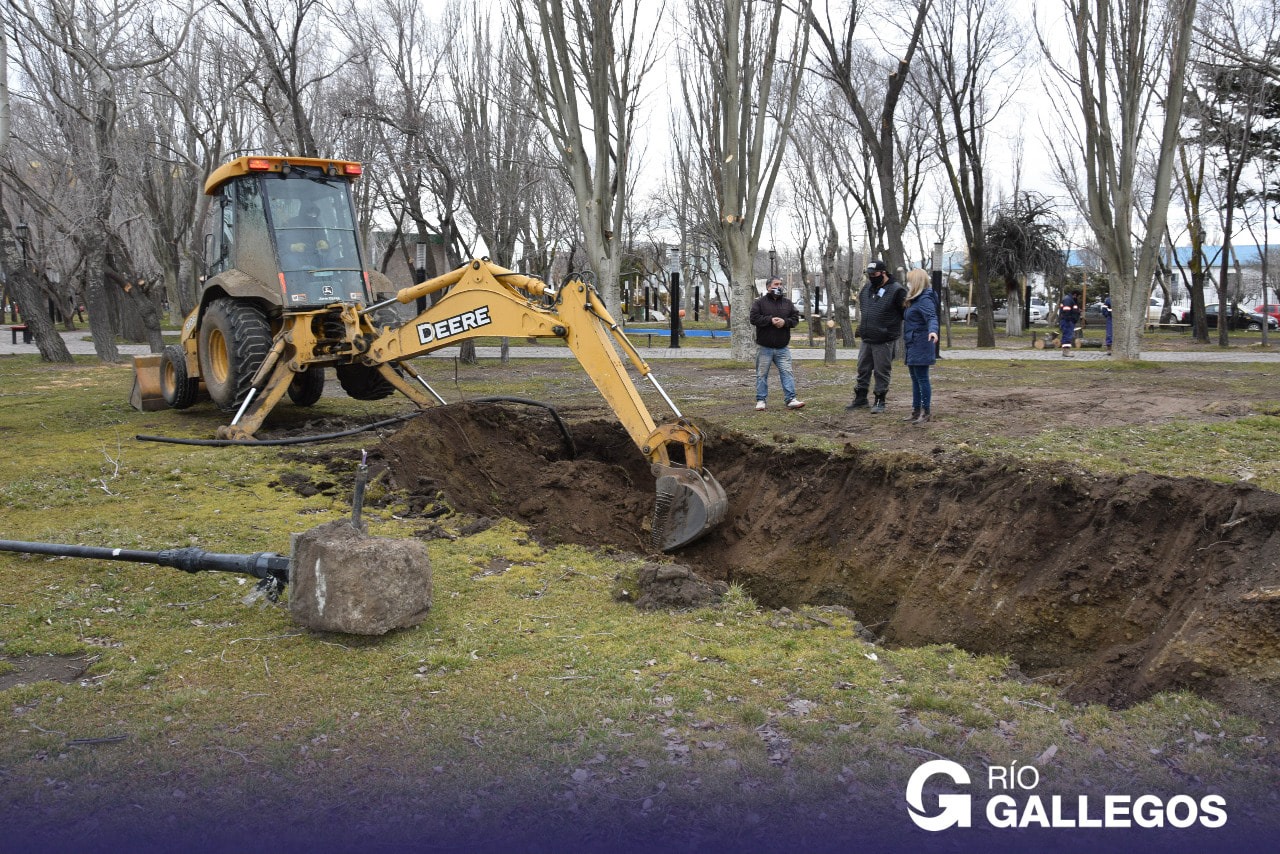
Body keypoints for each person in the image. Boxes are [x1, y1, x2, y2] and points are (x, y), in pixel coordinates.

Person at [847, 260, 907, 413]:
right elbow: (865, 307)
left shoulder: (897, 290)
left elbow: (905, 314)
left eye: (874, 274)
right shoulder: (867, 288)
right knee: (863, 369)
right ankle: (860, 398)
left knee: (881, 371)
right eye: (869, 275)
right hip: (867, 337)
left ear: (883, 273)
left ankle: (880, 400)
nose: (871, 277)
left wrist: (888, 329)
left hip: (884, 339)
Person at [749, 277, 804, 411]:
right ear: (768, 287)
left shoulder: (787, 303)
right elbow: (753, 318)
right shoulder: (760, 303)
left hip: (782, 347)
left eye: (780, 284)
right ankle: (761, 400)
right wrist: (770, 320)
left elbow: (795, 319)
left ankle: (791, 399)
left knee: (787, 373)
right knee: (762, 374)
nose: (779, 287)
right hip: (764, 347)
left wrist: (785, 322)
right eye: (776, 284)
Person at [902, 268, 940, 424]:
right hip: (913, 343)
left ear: (916, 282)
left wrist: (933, 331)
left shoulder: (924, 299)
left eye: (910, 280)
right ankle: (916, 410)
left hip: (921, 343)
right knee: (915, 379)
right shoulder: (915, 299)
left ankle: (925, 412)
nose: (908, 283)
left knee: (922, 378)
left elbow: (932, 317)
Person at [1059, 290, 1082, 356]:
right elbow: (1066, 310)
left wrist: (1077, 311)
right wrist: (1069, 319)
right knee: (1067, 336)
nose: (1078, 298)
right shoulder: (1068, 300)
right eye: (1078, 296)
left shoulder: (1070, 299)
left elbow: (1071, 309)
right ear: (1075, 295)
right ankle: (1066, 352)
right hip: (1067, 321)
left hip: (1069, 321)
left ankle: (1065, 351)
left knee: (1068, 335)